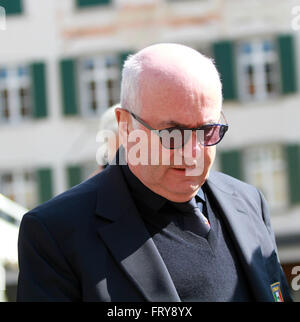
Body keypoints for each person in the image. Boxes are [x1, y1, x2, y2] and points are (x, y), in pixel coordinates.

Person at [17, 43, 292, 302]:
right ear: (125, 125)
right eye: (173, 134)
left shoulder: (248, 202)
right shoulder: (55, 233)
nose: (193, 153)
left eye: (208, 131)